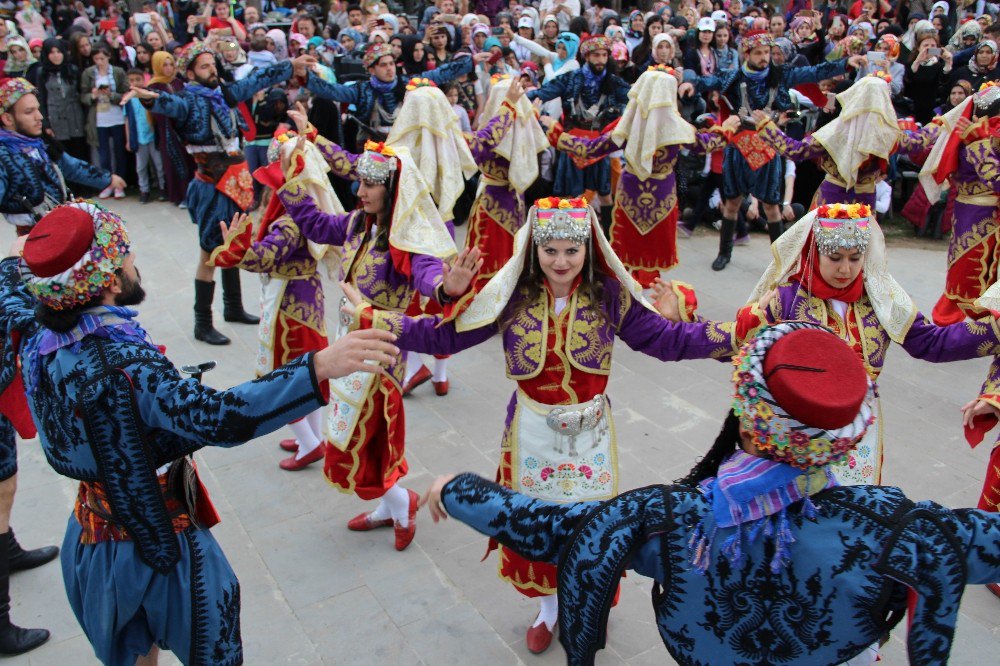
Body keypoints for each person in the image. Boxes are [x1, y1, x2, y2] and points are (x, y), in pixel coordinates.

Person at [422, 322, 1000, 665]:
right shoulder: (897, 530)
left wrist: (460, 490)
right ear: (845, 438)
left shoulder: (673, 518)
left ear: (747, 418)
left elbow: (549, 527)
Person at [0, 200, 399, 666]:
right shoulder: (125, 366)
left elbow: (11, 282)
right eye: (126, 254)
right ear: (107, 281)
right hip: (157, 546)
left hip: (90, 536)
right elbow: (219, 417)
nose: (134, 262)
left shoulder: (34, 330)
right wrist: (319, 366)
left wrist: (27, 253)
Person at [344, 196, 739, 654]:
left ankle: (588, 605)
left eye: (572, 250)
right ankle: (550, 609)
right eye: (550, 250)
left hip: (591, 437)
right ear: (534, 249)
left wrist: (742, 334)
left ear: (589, 249)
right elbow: (442, 335)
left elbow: (668, 341)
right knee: (535, 524)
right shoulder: (510, 296)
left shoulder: (609, 296)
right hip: (531, 432)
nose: (561, 261)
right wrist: (374, 317)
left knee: (594, 529)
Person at [665, 203, 1000, 487]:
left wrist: (995, 329)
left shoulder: (880, 299)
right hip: (798, 435)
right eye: (835, 257)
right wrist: (682, 321)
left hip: (860, 433)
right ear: (814, 251)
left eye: (855, 258)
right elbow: (736, 344)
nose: (845, 269)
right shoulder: (786, 300)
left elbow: (932, 344)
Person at [274, 138, 479, 540]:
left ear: (393, 189)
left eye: (370, 185)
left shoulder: (405, 242)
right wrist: (292, 179)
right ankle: (391, 505)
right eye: (360, 183)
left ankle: (403, 507)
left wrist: (447, 288)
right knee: (357, 431)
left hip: (381, 353)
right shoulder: (355, 224)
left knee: (364, 435)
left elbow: (426, 273)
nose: (360, 192)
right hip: (348, 344)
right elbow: (316, 224)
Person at [123, 44, 317, 346]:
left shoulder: (224, 94)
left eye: (212, 64)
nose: (211, 70)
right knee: (210, 253)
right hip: (212, 186)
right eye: (203, 66)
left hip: (234, 182)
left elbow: (255, 81)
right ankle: (202, 323)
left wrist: (289, 65)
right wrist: (153, 101)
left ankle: (233, 307)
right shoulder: (188, 100)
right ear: (190, 73)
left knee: (234, 243)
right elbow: (170, 105)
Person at [210, 129, 337, 471]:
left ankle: (310, 443)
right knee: (304, 369)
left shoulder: (289, 217)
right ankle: (311, 435)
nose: (268, 188)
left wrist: (237, 251)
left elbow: (265, 257)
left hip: (289, 303)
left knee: (283, 375)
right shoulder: (300, 207)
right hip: (304, 296)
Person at [541, 66, 739, 287]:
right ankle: (646, 298)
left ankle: (619, 292)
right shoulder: (678, 127)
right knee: (650, 256)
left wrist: (556, 133)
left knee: (625, 250)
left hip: (631, 194)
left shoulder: (628, 124)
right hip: (661, 195)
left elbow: (589, 148)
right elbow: (707, 144)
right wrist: (726, 128)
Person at [683, 30, 866, 269]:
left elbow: (813, 72)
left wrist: (844, 64)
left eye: (767, 52)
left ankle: (781, 261)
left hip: (769, 146)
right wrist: (688, 80)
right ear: (747, 53)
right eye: (758, 52)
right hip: (737, 146)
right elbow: (707, 80)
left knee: (771, 206)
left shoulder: (780, 75)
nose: (764, 57)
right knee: (732, 203)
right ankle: (724, 253)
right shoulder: (732, 77)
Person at [753, 74, 940, 211]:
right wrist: (940, 123)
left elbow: (795, 150)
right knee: (855, 258)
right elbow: (919, 141)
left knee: (824, 256)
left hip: (832, 197)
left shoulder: (835, 131)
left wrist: (766, 127)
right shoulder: (888, 135)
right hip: (864, 201)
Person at [526, 35, 631, 230]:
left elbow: (636, 97)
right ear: (586, 56)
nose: (600, 60)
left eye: (604, 55)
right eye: (596, 55)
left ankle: (608, 241)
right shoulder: (571, 78)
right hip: (570, 142)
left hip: (600, 145)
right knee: (568, 194)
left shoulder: (614, 82)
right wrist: (516, 96)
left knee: (605, 194)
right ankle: (567, 235)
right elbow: (543, 92)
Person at [919, 80, 1000, 325]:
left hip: (969, 208)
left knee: (970, 265)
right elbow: (995, 179)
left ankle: (967, 315)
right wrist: (978, 142)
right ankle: (969, 319)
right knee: (972, 267)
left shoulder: (968, 134)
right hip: (981, 212)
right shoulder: (981, 138)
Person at [305, 42, 488, 150]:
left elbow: (439, 74)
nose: (389, 68)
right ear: (371, 69)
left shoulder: (408, 83)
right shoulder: (361, 91)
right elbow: (331, 90)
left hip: (405, 148)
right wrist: (305, 77)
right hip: (372, 150)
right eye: (383, 65)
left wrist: (468, 62)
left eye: (392, 63)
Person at [0, 78, 123, 237]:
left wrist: (107, 178)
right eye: (29, 112)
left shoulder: (40, 144)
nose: (39, 117)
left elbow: (69, 166)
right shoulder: (4, 156)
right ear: (7, 119)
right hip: (34, 239)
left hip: (63, 226)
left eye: (38, 109)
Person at [462, 76, 549, 285]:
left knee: (490, 261)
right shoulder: (516, 132)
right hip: (512, 202)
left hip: (492, 204)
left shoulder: (493, 130)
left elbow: (489, 139)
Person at [80, 44, 128, 197]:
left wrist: (110, 95)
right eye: (96, 59)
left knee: (120, 152)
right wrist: (93, 95)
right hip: (99, 118)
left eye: (102, 58)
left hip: (117, 116)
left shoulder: (118, 72)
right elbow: (83, 96)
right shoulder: (88, 73)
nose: (99, 61)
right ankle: (107, 183)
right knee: (104, 154)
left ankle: (120, 184)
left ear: (108, 57)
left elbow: (125, 94)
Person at [146, 51, 192, 207]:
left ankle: (190, 195)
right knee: (174, 162)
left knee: (188, 161)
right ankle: (179, 195)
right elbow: (156, 111)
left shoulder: (178, 82)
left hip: (183, 128)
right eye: (164, 65)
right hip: (167, 129)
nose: (168, 68)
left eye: (171, 64)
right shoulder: (154, 86)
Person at [124, 68, 165, 204]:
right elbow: (127, 120)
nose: (135, 83)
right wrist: (129, 139)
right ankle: (144, 190)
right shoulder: (129, 99)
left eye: (138, 79)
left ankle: (163, 188)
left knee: (158, 164)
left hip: (153, 136)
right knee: (141, 167)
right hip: (139, 137)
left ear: (144, 79)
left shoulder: (149, 95)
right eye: (131, 80)